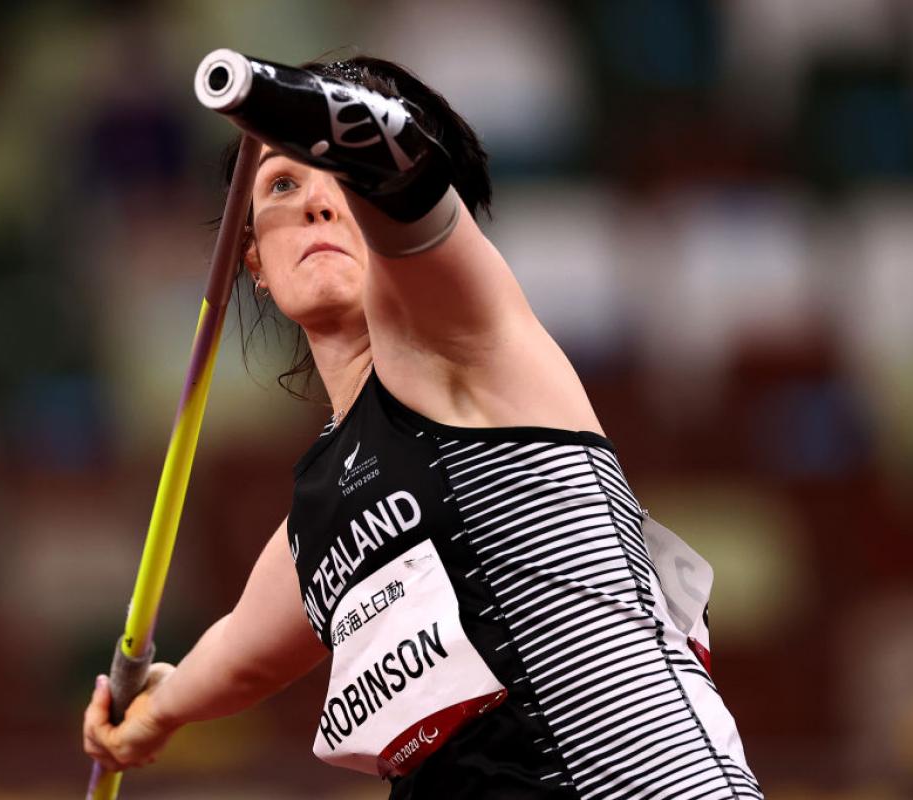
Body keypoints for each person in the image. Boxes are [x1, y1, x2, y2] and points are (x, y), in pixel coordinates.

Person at [84, 53, 764, 799]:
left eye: (341, 181)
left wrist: (270, 95)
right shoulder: (317, 518)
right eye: (282, 186)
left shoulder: (468, 342)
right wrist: (154, 711)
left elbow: (400, 168)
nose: (317, 204)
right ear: (255, 262)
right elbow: (241, 655)